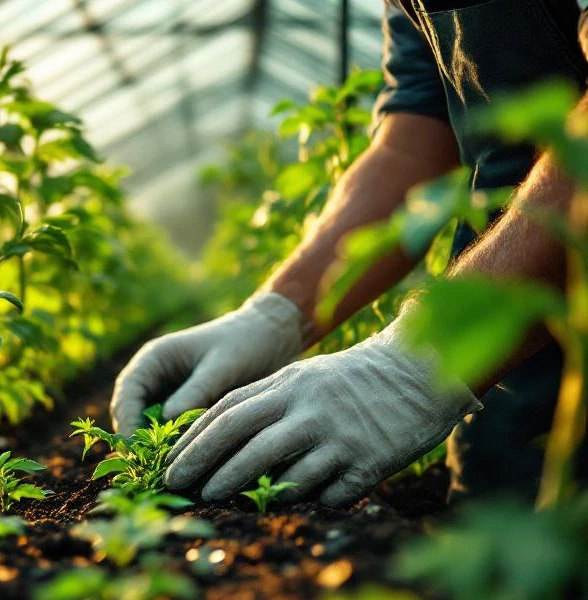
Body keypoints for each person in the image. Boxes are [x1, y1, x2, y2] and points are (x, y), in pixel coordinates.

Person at [111, 0, 588, 505]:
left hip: (537, 326)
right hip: (499, 364)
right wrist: (277, 314)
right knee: (499, 519)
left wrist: (414, 366)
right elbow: (414, 139)